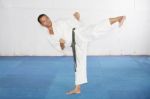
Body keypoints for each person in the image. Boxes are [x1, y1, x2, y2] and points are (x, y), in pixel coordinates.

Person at [37, 12, 126, 94]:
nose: (47, 21)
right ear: (41, 24)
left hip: (78, 33)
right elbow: (60, 49)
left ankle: (118, 18)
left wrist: (77, 18)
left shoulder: (60, 22)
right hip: (75, 45)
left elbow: (74, 23)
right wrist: (61, 43)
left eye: (47, 18)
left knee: (95, 30)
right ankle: (77, 89)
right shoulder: (49, 37)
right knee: (79, 65)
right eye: (44, 21)